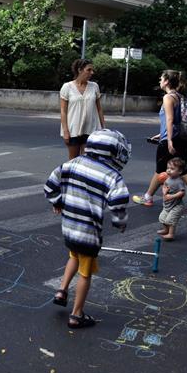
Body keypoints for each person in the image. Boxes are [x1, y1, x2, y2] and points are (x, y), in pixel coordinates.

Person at [45, 129, 130, 328]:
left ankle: (62, 290)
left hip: (69, 227)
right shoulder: (112, 176)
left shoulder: (71, 163)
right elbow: (119, 203)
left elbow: (50, 184)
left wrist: (57, 201)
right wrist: (120, 222)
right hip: (88, 233)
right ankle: (76, 314)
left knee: (74, 256)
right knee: (85, 272)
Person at [132, 70, 187, 214]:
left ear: (167, 81)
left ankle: (148, 197)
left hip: (172, 139)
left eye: (161, 78)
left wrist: (168, 140)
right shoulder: (180, 96)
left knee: (160, 169)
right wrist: (160, 134)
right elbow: (177, 121)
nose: (159, 81)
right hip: (182, 138)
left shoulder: (168, 97)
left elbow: (170, 119)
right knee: (183, 170)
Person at [59, 58, 105, 159]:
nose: (92, 73)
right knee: (73, 160)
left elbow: (99, 109)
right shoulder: (67, 87)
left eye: (92, 70)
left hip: (91, 129)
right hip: (73, 130)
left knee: (87, 160)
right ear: (80, 70)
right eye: (88, 70)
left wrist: (103, 128)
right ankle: (70, 175)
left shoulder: (94, 86)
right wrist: (65, 130)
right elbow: (63, 111)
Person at [157, 157, 187, 241]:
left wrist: (172, 196)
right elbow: (164, 186)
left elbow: (182, 192)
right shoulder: (167, 178)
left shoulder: (179, 182)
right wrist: (164, 191)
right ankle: (166, 229)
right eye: (168, 168)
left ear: (179, 172)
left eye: (172, 169)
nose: (169, 170)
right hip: (167, 204)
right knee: (162, 218)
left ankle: (171, 234)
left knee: (171, 219)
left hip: (176, 205)